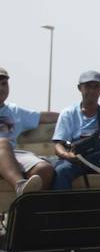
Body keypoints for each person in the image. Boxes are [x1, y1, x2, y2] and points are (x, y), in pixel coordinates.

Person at [0, 66, 58, 195]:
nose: (1, 88)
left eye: (4, 84)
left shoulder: (14, 111)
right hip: (4, 147)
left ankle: (28, 212)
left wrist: (70, 116)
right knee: (3, 142)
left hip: (11, 154)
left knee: (44, 169)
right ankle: (19, 185)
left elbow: (42, 117)